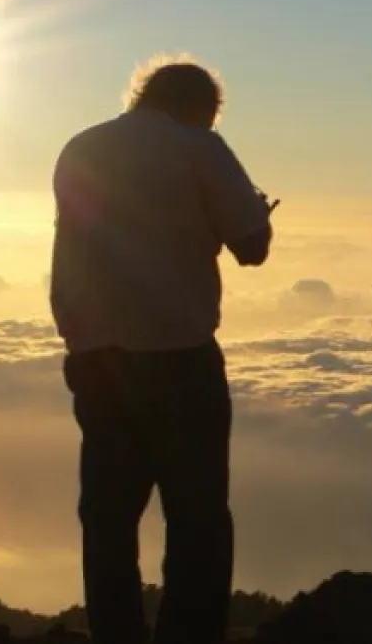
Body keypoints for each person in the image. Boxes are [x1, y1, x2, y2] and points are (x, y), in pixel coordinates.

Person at [49, 55, 276, 644]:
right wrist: (256, 208)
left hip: (96, 359)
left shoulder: (81, 147)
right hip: (179, 360)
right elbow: (251, 246)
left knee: (107, 521)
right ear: (203, 108)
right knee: (197, 518)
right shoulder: (199, 146)